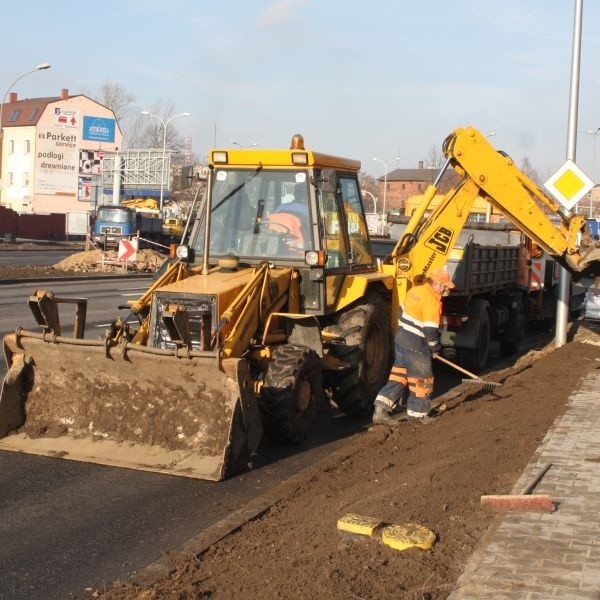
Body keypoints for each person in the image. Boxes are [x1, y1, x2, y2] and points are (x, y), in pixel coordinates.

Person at [372, 267, 455, 425]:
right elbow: (430, 331)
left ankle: (380, 410)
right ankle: (418, 415)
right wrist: (435, 349)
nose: (445, 289)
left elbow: (401, 312)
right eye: (444, 286)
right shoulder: (432, 301)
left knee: (399, 375)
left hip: (402, 338)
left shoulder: (414, 291)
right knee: (423, 379)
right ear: (436, 284)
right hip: (417, 344)